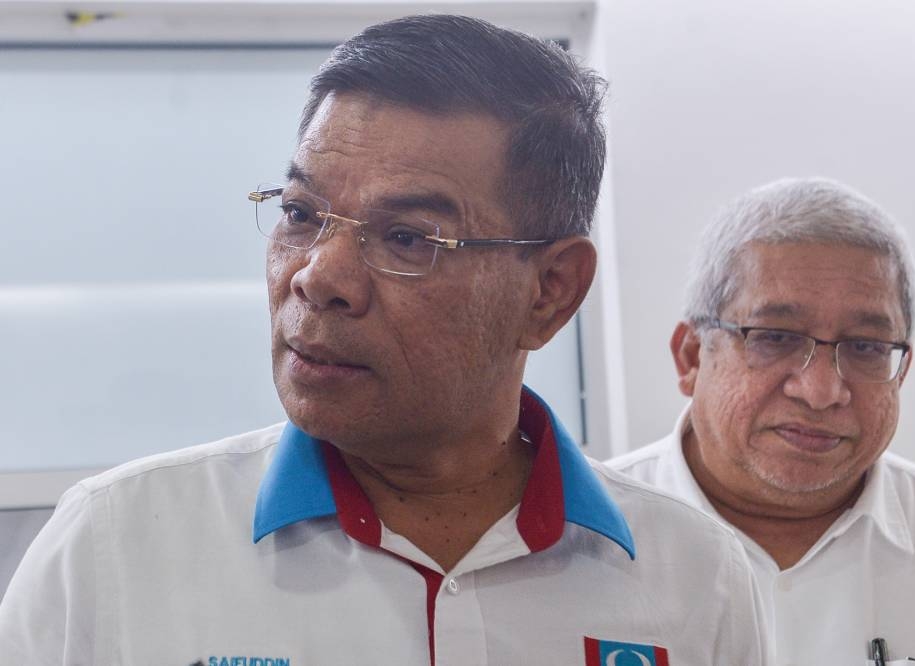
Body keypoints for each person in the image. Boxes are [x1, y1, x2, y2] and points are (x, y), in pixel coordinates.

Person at [0, 15, 767, 665]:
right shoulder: (114, 549)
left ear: (551, 290)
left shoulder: (694, 580)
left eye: (406, 237)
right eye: (301, 213)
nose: (318, 277)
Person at [610, 176, 915, 665]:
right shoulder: (571, 547)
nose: (820, 392)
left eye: (866, 348)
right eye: (775, 337)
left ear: (900, 372)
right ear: (691, 357)